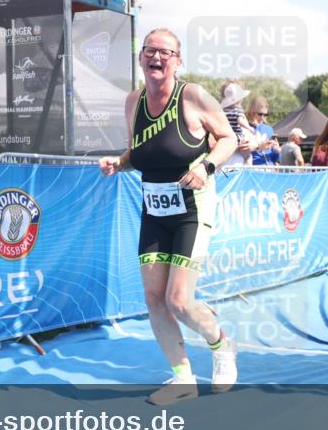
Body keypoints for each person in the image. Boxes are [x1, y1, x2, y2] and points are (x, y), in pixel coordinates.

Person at [98, 28, 238, 406]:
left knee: (178, 300)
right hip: (154, 209)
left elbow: (229, 139)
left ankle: (221, 345)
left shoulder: (191, 96)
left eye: (165, 52)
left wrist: (206, 168)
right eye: (150, 51)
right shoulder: (133, 102)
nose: (156, 57)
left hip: (192, 207)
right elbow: (138, 153)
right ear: (141, 57)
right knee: (154, 298)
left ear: (178, 60)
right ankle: (183, 378)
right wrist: (118, 163)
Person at [219, 81, 255, 167]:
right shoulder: (238, 110)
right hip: (226, 167)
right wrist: (250, 128)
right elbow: (240, 121)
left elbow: (254, 142)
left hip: (235, 167)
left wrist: (251, 145)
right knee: (249, 158)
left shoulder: (222, 112)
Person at [246, 96, 280, 165]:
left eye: (265, 115)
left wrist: (277, 151)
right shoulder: (246, 127)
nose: (262, 117)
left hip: (269, 170)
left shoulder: (269, 129)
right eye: (260, 114)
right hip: (253, 170)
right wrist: (259, 148)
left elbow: (274, 159)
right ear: (252, 112)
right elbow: (243, 153)